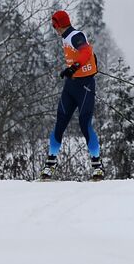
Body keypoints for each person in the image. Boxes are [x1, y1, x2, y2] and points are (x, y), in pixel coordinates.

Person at [42, 9, 102, 180]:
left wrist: (74, 67)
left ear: (60, 25)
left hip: (85, 86)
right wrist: (72, 70)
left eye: (55, 25)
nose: (54, 29)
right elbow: (88, 55)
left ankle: (97, 166)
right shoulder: (66, 38)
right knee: (60, 121)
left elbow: (85, 51)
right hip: (71, 86)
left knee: (85, 123)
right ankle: (50, 164)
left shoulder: (75, 35)